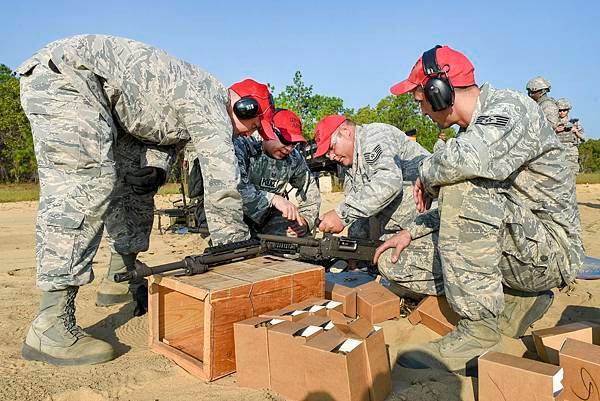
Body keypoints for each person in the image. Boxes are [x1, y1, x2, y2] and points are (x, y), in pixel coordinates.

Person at [16, 34, 276, 366]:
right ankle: (50, 324)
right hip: (69, 77)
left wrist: (156, 168)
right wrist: (234, 248)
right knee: (85, 184)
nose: (250, 134)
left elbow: (158, 127)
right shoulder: (212, 101)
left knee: (135, 190)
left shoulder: (196, 96)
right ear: (245, 107)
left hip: (107, 101)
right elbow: (223, 183)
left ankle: (118, 279)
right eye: (254, 126)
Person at [375, 45, 584, 373]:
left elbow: (470, 166)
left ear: (440, 92)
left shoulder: (510, 108)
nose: (422, 113)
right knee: (395, 260)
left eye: (421, 102)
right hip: (512, 243)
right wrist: (409, 231)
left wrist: (428, 174)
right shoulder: (470, 131)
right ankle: (516, 300)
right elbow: (464, 207)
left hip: (549, 253)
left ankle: (481, 329)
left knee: (461, 181)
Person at [314, 116, 432, 248]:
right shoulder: (350, 163)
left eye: (331, 148)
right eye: (327, 154)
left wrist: (341, 214)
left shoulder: (374, 137)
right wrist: (354, 247)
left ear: (346, 131)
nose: (331, 156)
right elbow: (359, 211)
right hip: (401, 228)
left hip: (426, 224)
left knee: (386, 261)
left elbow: (389, 182)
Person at [234, 109, 321, 236]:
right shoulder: (242, 143)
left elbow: (309, 190)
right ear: (268, 130)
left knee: (296, 243)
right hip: (234, 211)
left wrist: (306, 221)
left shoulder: (294, 158)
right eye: (286, 141)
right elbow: (233, 188)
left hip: (266, 215)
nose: (289, 149)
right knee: (236, 248)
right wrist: (273, 199)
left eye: (294, 144)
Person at [556, 97, 585, 175]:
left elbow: (583, 138)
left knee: (572, 174)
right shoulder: (554, 123)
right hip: (557, 152)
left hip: (571, 152)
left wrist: (576, 131)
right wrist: (556, 130)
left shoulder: (575, 123)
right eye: (560, 110)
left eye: (564, 110)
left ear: (568, 110)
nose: (562, 112)